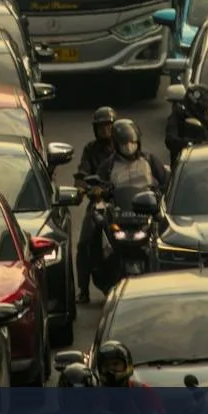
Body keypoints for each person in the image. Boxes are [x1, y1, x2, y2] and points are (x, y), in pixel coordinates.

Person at [74, 107, 119, 301]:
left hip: (121, 203)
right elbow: (81, 175)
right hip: (99, 204)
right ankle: (83, 289)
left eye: (108, 127)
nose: (105, 131)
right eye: (101, 127)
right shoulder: (90, 150)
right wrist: (86, 188)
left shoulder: (124, 148)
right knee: (84, 242)